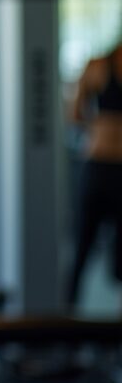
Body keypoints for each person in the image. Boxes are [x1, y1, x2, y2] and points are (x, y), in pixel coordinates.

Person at [66, 42, 122, 308]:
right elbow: (74, 113)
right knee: (82, 245)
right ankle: (65, 321)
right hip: (98, 166)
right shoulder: (98, 66)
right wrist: (102, 126)